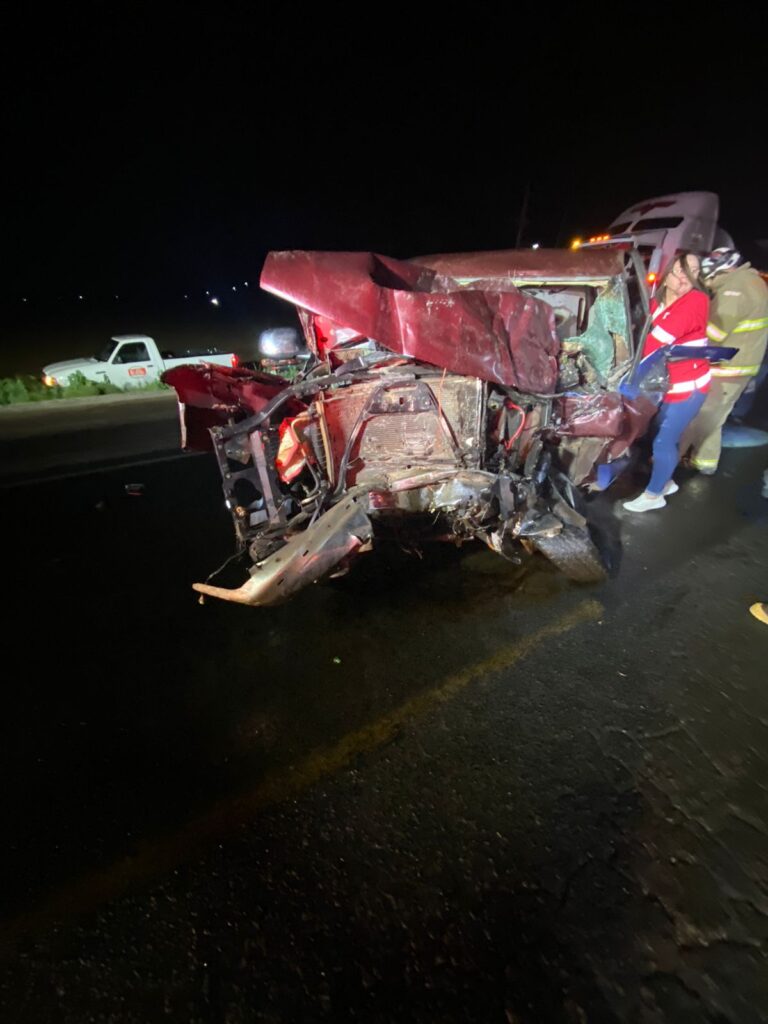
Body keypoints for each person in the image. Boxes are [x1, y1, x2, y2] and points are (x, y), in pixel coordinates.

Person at [623, 252, 710, 512]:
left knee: (664, 441)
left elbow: (653, 341)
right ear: (668, 272)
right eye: (680, 270)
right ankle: (667, 481)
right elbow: (636, 324)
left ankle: (654, 495)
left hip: (689, 388)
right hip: (665, 386)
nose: (685, 277)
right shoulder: (656, 301)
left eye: (692, 271)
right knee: (654, 434)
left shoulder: (696, 301)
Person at [683, 248, 768, 473]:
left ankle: (702, 465)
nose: (709, 284)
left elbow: (714, 333)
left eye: (710, 278)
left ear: (723, 270)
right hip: (739, 364)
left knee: (708, 416)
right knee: (713, 415)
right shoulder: (751, 281)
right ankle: (700, 461)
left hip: (729, 367)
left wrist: (686, 342)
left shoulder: (735, 290)